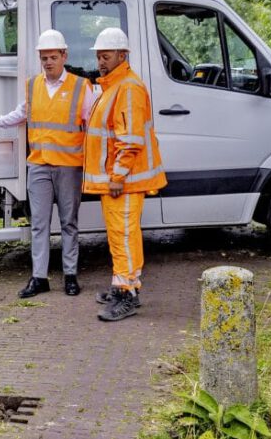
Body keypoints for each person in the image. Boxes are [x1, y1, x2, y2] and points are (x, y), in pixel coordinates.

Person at [0, 29, 96, 298]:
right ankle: (39, 278)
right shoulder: (33, 86)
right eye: (44, 58)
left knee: (69, 223)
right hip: (39, 166)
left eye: (53, 57)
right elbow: (19, 115)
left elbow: (94, 125)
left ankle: (70, 276)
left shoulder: (81, 86)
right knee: (39, 224)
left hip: (69, 166)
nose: (48, 62)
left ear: (64, 56)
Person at [82, 27, 167, 322]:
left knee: (124, 234)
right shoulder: (114, 85)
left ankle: (127, 293)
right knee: (121, 234)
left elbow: (129, 139)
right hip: (117, 180)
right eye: (99, 56)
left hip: (124, 182)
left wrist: (117, 176)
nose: (101, 61)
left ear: (122, 55)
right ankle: (123, 284)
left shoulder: (127, 88)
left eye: (106, 56)